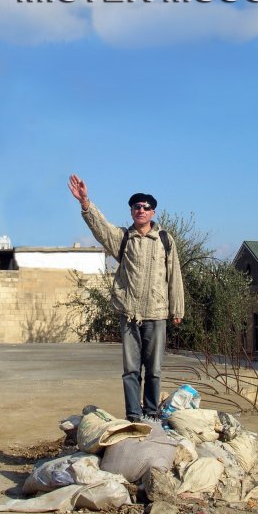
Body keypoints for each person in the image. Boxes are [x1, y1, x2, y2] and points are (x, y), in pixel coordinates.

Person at [68, 174, 184, 422]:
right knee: (131, 370)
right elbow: (101, 228)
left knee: (154, 370)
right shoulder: (123, 238)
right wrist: (85, 202)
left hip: (157, 313)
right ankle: (133, 415)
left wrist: (177, 310)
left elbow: (175, 275)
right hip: (129, 315)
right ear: (131, 211)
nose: (141, 210)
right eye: (136, 207)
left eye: (146, 207)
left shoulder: (165, 240)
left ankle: (151, 413)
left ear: (153, 212)